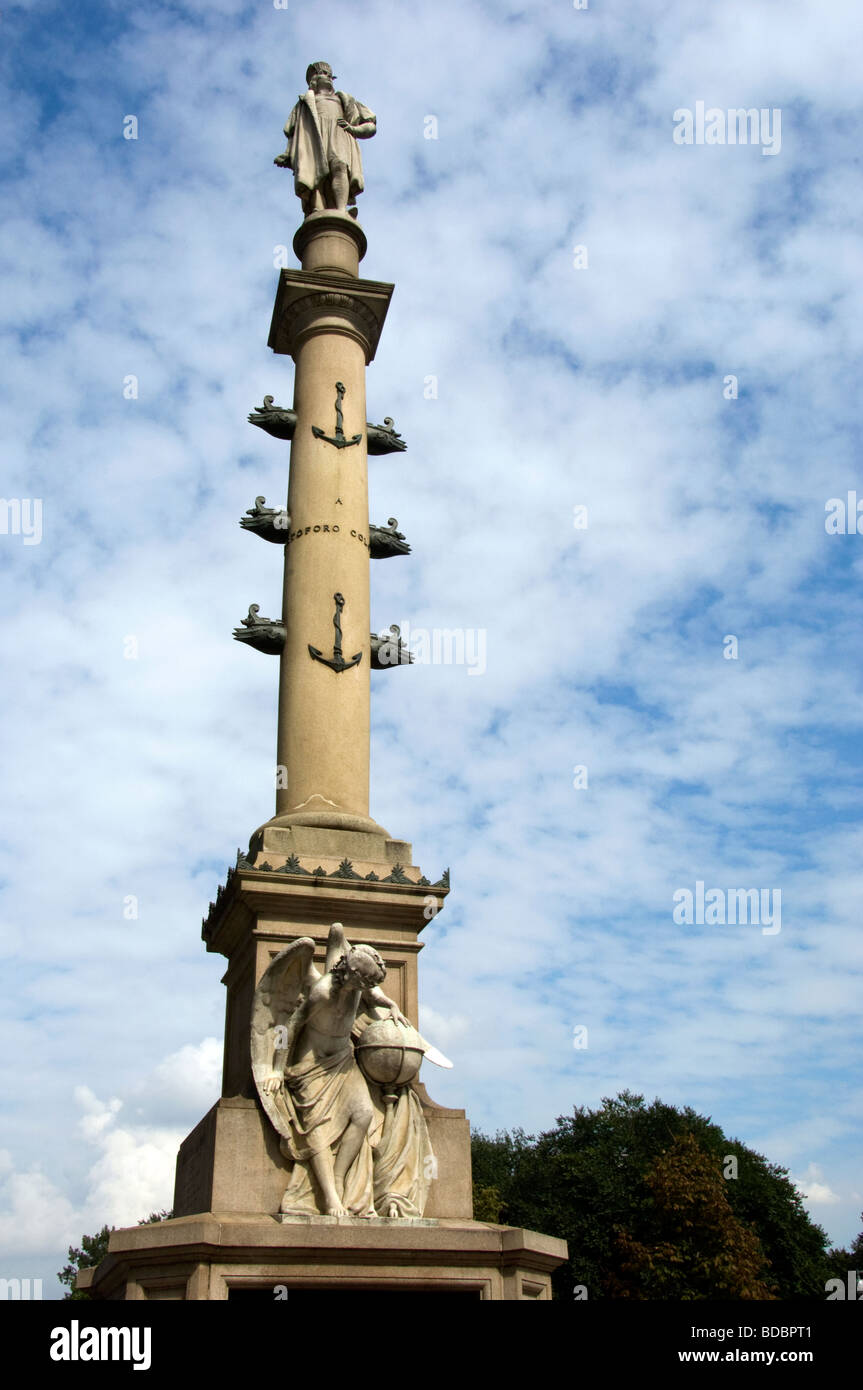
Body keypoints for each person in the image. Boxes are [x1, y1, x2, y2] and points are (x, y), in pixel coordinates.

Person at [261, 922, 407, 1216]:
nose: (369, 989)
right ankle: (329, 1197)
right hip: (310, 1065)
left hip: (342, 1058)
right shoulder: (322, 993)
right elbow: (290, 1026)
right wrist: (277, 1069)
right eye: (366, 983)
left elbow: (375, 996)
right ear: (353, 975)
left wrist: (393, 1005)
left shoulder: (359, 984)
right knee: (316, 1128)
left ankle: (339, 1178)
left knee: (364, 1114)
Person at [274, 61, 376, 217]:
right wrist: (288, 154)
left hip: (339, 134)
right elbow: (294, 132)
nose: (328, 77)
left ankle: (342, 210)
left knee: (340, 166)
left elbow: (371, 125)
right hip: (312, 138)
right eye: (323, 74)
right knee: (314, 172)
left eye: (330, 75)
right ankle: (317, 209)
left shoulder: (344, 99)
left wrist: (353, 129)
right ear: (314, 79)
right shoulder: (304, 103)